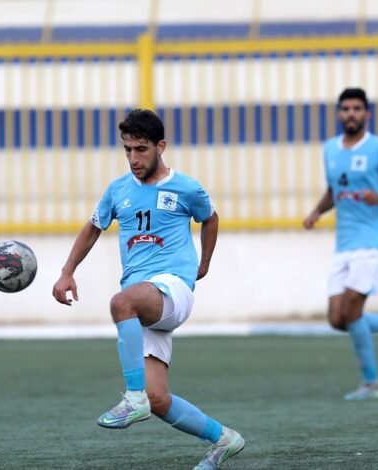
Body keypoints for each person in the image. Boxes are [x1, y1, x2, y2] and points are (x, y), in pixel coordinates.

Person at [52, 109, 244, 470]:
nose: (133, 158)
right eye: (127, 149)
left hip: (172, 288)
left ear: (161, 146)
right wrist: (67, 272)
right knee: (159, 399)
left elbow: (210, 218)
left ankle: (133, 397)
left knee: (120, 303)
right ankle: (224, 439)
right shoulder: (118, 190)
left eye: (141, 149)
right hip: (144, 300)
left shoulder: (186, 187)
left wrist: (204, 263)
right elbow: (93, 227)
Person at [303, 87, 378, 401]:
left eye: (356, 109)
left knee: (352, 309)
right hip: (344, 245)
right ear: (339, 114)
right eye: (345, 109)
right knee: (337, 318)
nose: (350, 114)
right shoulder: (330, 149)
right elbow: (334, 190)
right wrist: (317, 211)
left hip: (372, 242)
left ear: (366, 114)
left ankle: (371, 383)